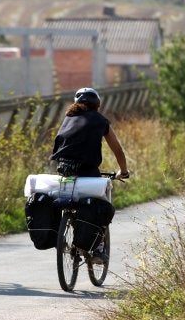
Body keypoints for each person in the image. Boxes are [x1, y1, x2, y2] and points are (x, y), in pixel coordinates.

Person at [49, 87, 129, 263]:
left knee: (71, 199)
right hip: (87, 173)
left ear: (76, 104)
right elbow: (118, 149)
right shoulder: (100, 121)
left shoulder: (68, 119)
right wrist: (123, 171)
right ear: (98, 106)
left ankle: (64, 234)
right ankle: (98, 248)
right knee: (103, 204)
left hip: (63, 171)